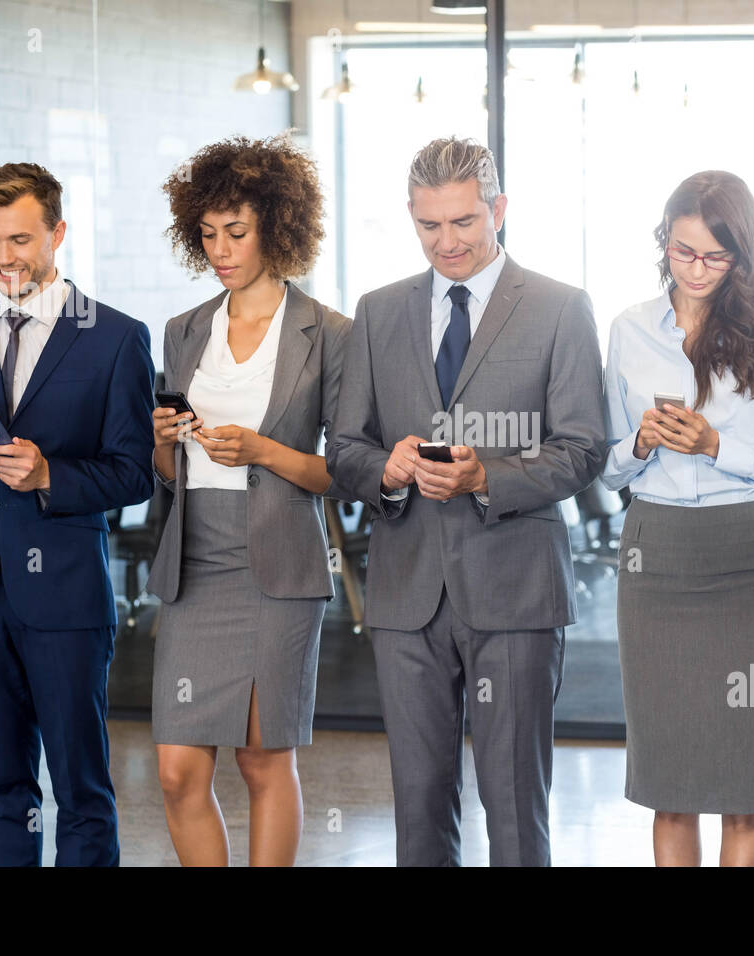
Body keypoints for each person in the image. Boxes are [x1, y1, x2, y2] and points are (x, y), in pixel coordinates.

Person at [327, 137, 606, 866]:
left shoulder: (559, 308)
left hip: (515, 588)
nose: (446, 242)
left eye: (464, 222)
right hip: (406, 589)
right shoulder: (378, 312)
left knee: (515, 805)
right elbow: (344, 450)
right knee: (418, 807)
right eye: (429, 226)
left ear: (499, 210)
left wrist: (490, 478)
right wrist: (385, 470)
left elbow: (584, 448)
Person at [0, 163, 155, 866]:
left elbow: (135, 473)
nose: (3, 258)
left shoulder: (114, 337)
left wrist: (51, 475)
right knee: (3, 788)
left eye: (19, 239)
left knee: (80, 789)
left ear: (58, 233)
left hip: (66, 595)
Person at [601, 171, 754, 867]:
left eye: (713, 256)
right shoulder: (629, 330)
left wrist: (718, 445)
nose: (694, 270)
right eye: (680, 250)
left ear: (742, 257)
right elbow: (603, 469)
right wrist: (638, 442)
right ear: (663, 243)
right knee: (670, 783)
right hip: (654, 552)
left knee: (744, 781)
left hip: (743, 553)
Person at [146, 134, 350, 867]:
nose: (221, 250)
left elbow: (346, 473)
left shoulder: (329, 334)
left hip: (278, 564)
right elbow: (164, 473)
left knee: (263, 762)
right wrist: (164, 440)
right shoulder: (183, 331)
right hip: (195, 560)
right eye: (207, 234)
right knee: (176, 770)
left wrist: (263, 450)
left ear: (277, 226)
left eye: (237, 231)